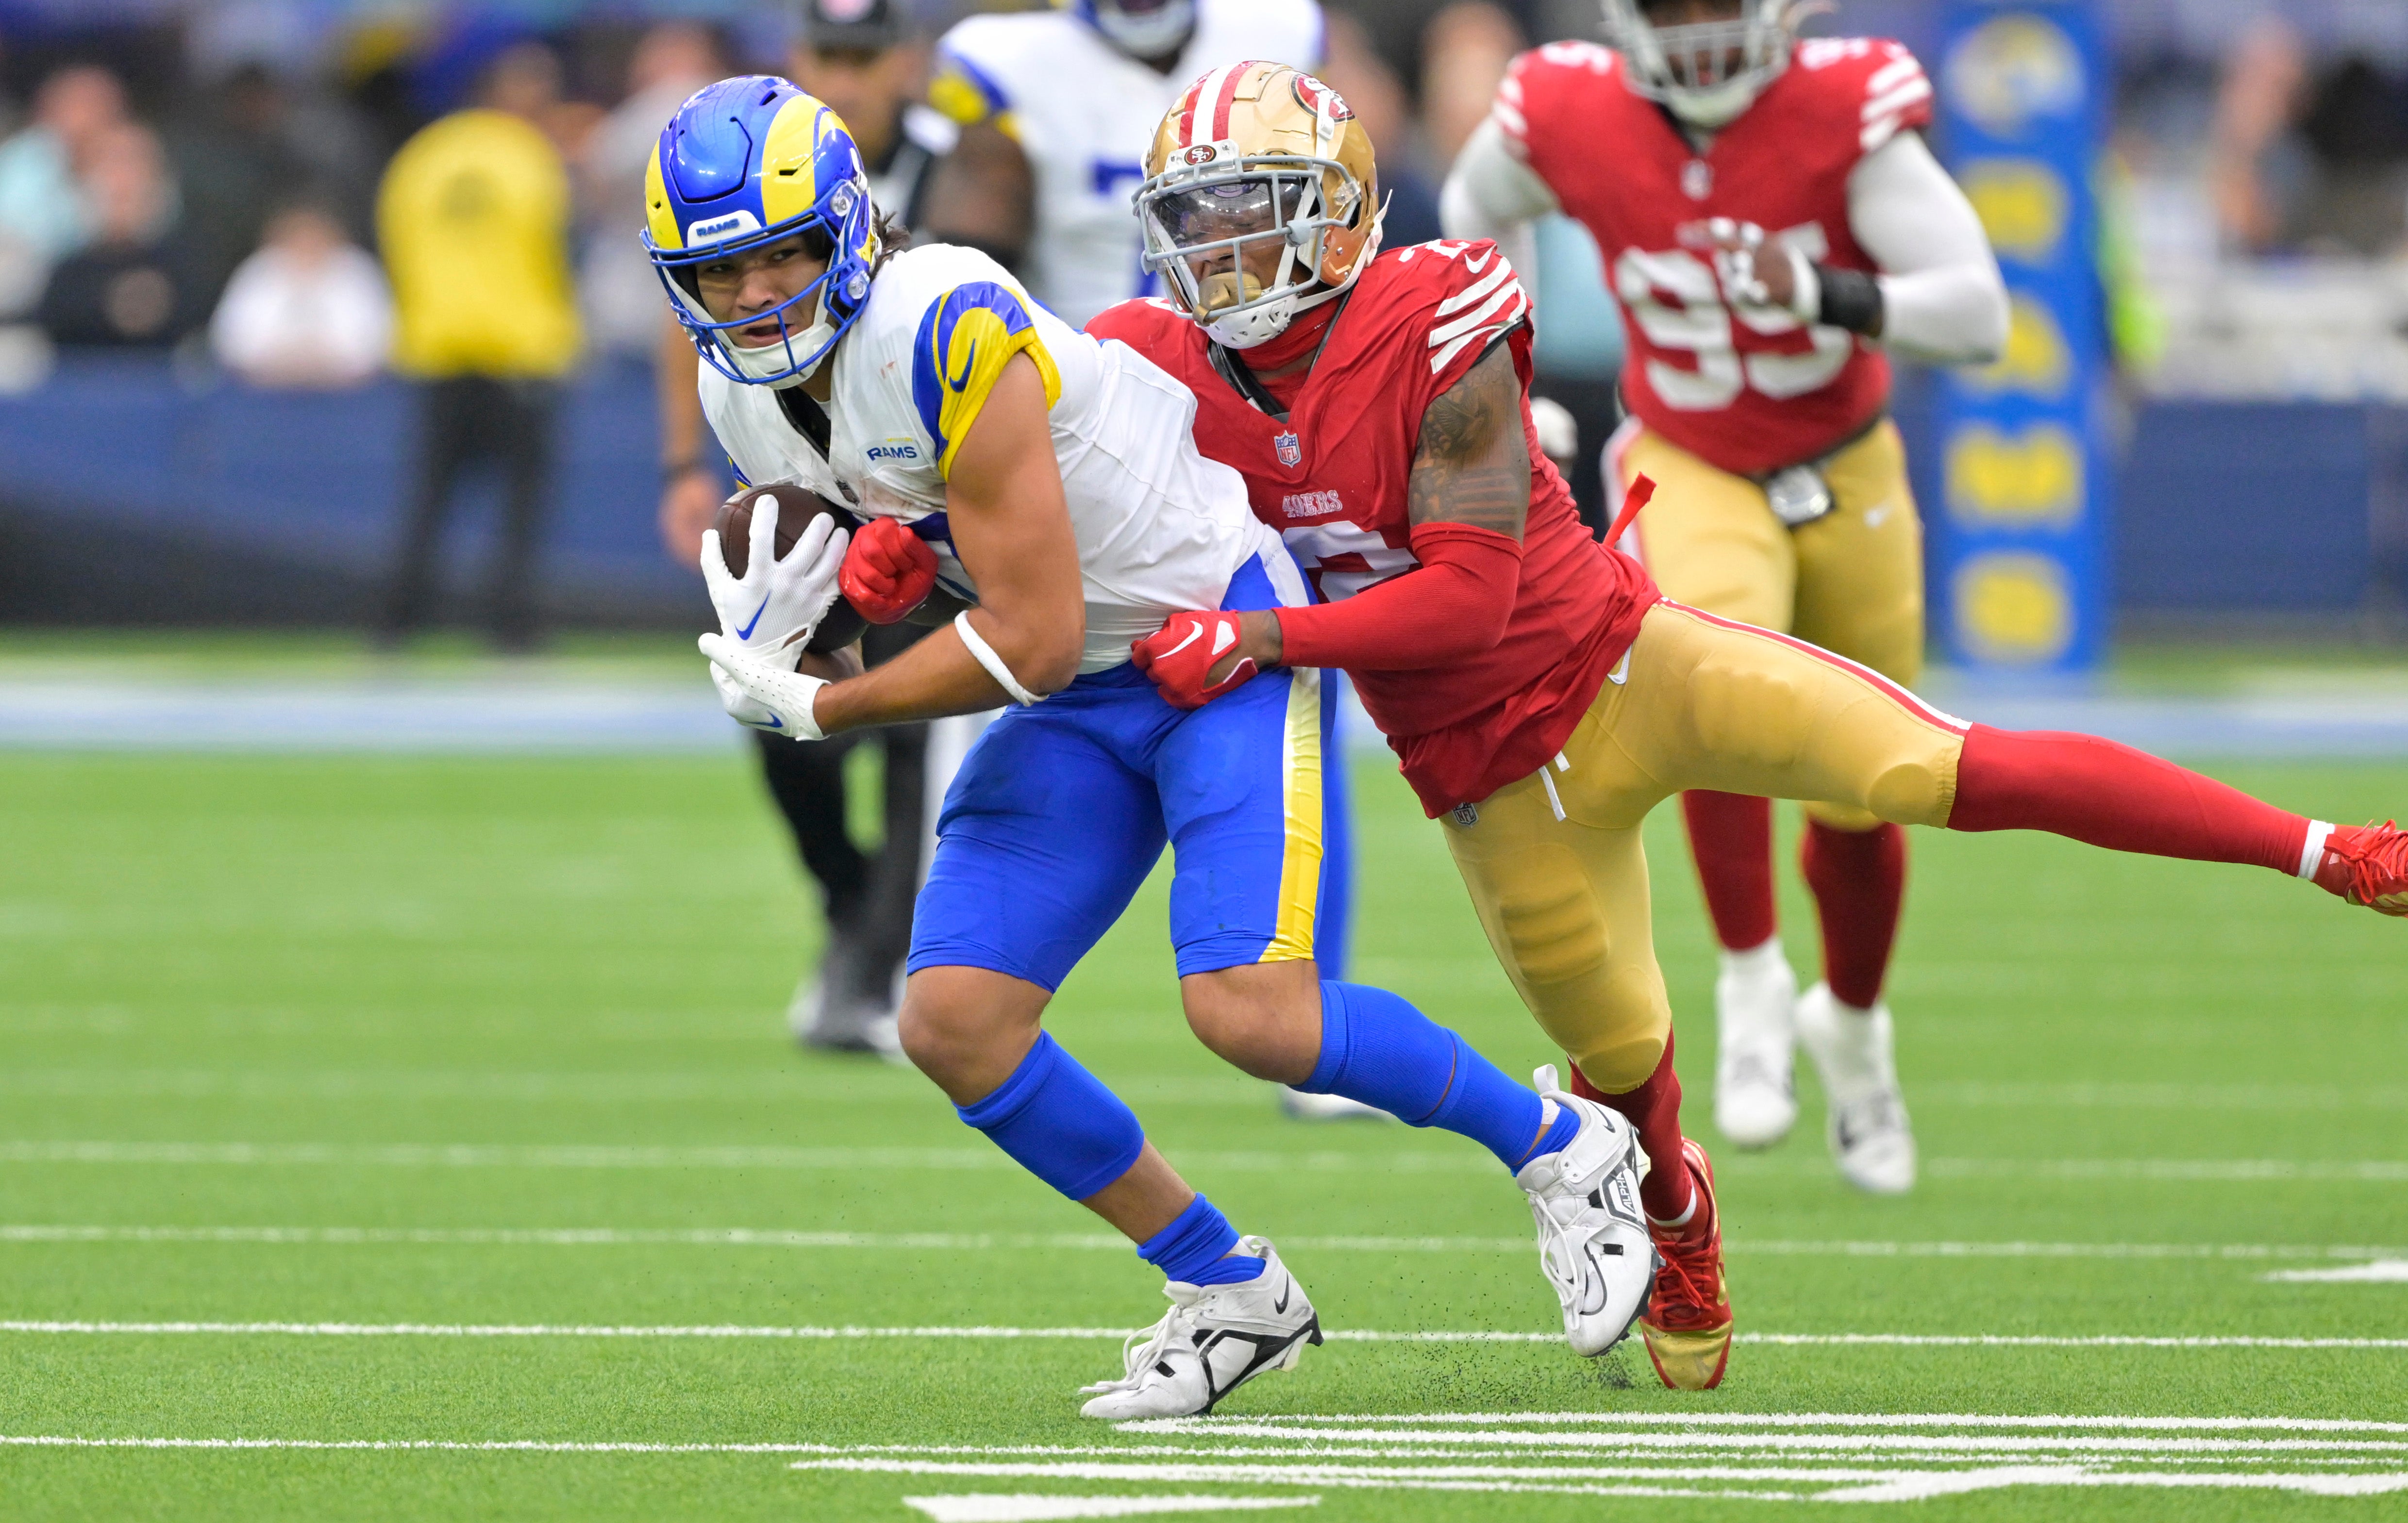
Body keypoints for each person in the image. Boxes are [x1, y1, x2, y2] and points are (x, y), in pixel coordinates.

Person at [1095, 60, 2408, 1393]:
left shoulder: (1435, 313)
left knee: (1942, 764)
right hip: (1487, 783)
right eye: (1196, 217)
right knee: (1625, 1088)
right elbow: (1018, 427)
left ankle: (2328, 848)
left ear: (1338, 210)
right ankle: (1681, 1216)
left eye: (1253, 208)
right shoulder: (1153, 367)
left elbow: (1467, 604)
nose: (1222, 246)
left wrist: (1257, 636)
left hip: (1630, 664)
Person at [656, 76, 1661, 1419]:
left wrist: (827, 709)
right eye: (722, 273)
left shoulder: (946, 321)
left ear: (848, 228)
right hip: (1083, 678)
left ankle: (1562, 1143)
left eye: (782, 253)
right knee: (952, 1023)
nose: (758, 296)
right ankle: (1227, 1288)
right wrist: (812, 640)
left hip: (1210, 638)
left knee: (1250, 1010)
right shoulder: (743, 403)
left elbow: (1034, 634)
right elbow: (913, 611)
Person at [1439, 0, 2013, 1193]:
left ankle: (1853, 1029)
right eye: (1671, 5)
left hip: (1843, 457)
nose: (1696, 28)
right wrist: (1507, 367)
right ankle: (1750, 980)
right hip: (1689, 451)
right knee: (1715, 679)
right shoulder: (1567, 104)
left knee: (1880, 774)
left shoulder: (1840, 105)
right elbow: (1474, 208)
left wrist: (1827, 291)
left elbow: (1976, 311)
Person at [920, 0, 1373, 1123]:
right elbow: (962, 242)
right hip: (1062, 407)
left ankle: (1305, 992)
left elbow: (1357, 200)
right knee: (1004, 663)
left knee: (1287, 682)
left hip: (1237, 381)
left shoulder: (1278, 33)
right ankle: (944, 952)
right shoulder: (1002, 65)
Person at [653, 0, 956, 1056]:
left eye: (866, 55)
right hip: (817, 455)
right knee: (769, 680)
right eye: (831, 54)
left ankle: (881, 958)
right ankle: (849, 913)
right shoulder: (731, 223)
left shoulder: (962, 167)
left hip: (940, 465)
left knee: (926, 715)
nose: (852, 73)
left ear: (906, 61)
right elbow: (700, 309)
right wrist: (687, 461)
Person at [920, 0, 1323, 329]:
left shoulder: (1278, 27)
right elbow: (968, 270)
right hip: (1083, 364)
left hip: (1258, 336)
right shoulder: (1008, 62)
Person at [374, 42, 579, 652]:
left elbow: (395, 246)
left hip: (439, 351)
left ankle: (396, 626)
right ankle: (511, 630)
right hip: (521, 354)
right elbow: (558, 248)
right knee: (519, 509)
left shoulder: (422, 159)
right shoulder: (530, 157)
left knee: (429, 502)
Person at [36, 122, 205, 350]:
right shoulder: (66, 273)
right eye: (108, 163)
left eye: (134, 163)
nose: (122, 179)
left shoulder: (192, 265)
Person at [209, 199, 391, 387]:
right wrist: (286, 361)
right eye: (298, 235)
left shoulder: (356, 271)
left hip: (347, 396)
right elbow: (230, 342)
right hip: (267, 394)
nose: (306, 243)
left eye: (314, 235)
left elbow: (378, 345)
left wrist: (319, 360)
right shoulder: (260, 270)